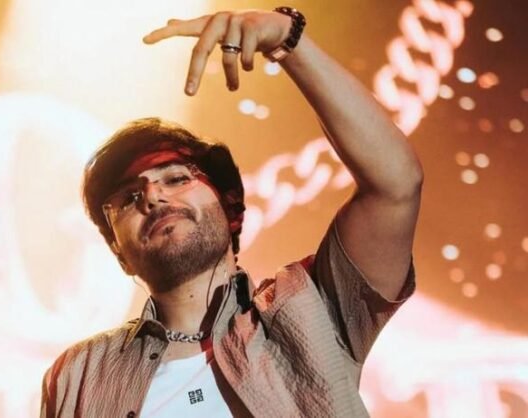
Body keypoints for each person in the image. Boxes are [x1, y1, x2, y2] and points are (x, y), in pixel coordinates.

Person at [40, 7, 423, 418]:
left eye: (177, 178)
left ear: (229, 207)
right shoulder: (78, 374)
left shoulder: (310, 308)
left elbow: (395, 185)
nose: (152, 196)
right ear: (119, 253)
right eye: (129, 197)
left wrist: (289, 43)